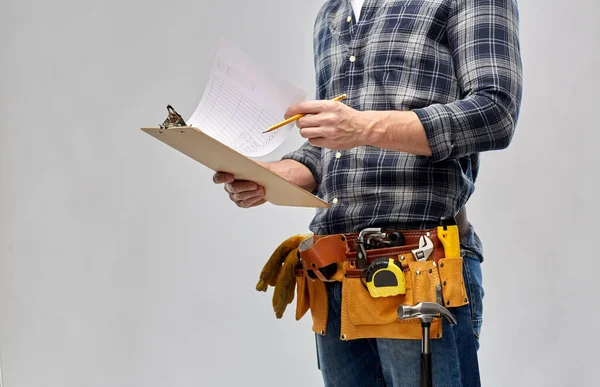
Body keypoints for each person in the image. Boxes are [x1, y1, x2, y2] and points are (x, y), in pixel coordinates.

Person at [213, 0, 523, 385]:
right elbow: (334, 143)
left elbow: (496, 112)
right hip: (334, 278)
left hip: (422, 273)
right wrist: (277, 174)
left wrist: (363, 127)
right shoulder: (332, 14)